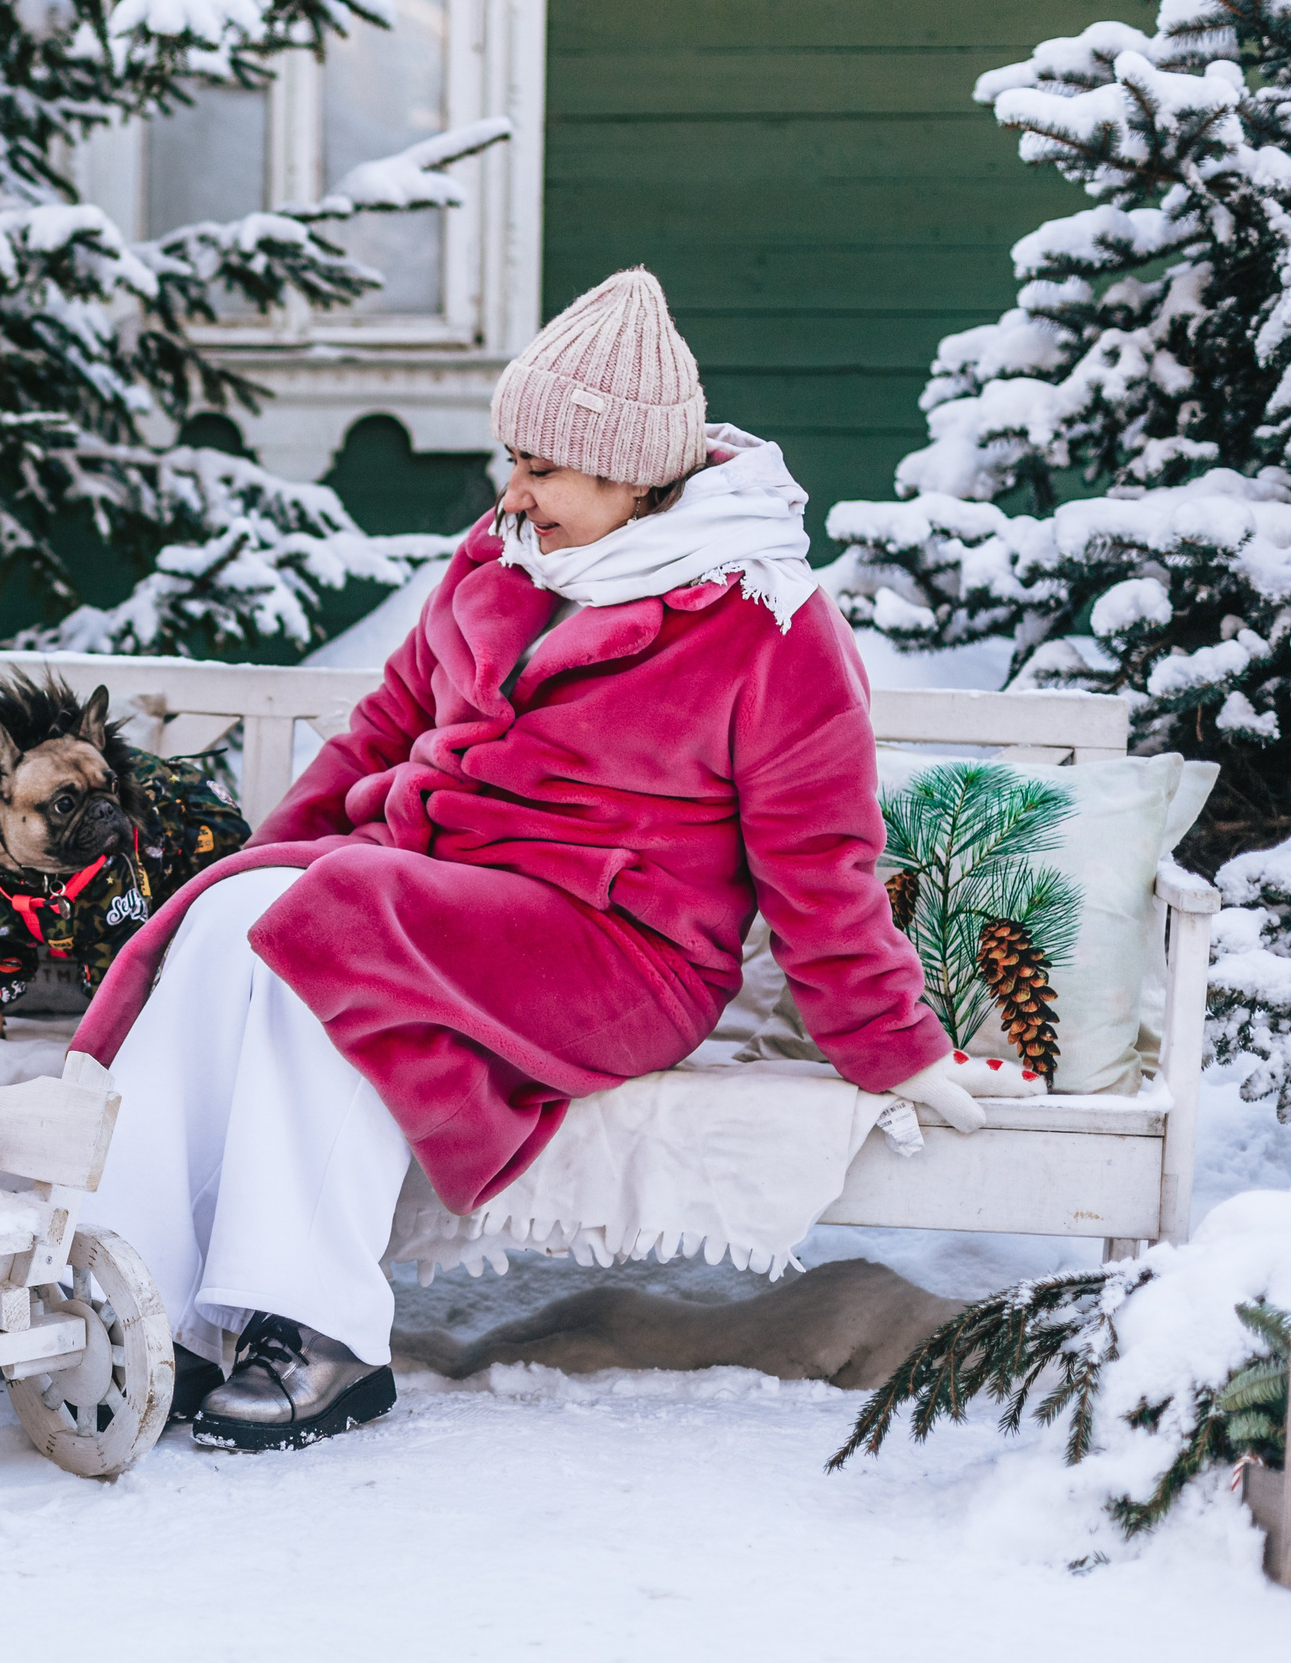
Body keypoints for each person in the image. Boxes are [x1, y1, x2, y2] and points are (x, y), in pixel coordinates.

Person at [70, 266, 983, 1454]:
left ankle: (323, 1332)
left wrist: (893, 1048)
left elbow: (823, 863)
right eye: (512, 461)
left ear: (633, 475)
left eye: (541, 470)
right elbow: (382, 727)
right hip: (431, 900)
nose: (513, 493)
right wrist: (263, 868)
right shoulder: (498, 557)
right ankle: (144, 1302)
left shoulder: (768, 623)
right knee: (242, 918)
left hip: (618, 955)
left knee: (334, 914)